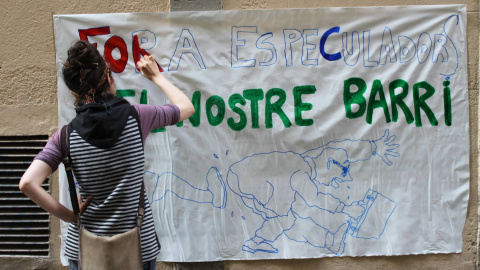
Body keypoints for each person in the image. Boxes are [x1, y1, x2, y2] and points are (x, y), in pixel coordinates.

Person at [19, 40, 195, 270]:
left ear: (75, 92)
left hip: (85, 251)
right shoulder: (138, 117)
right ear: (108, 77)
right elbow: (187, 107)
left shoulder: (64, 137)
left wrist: (70, 216)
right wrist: (156, 77)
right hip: (137, 248)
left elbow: (27, 183)